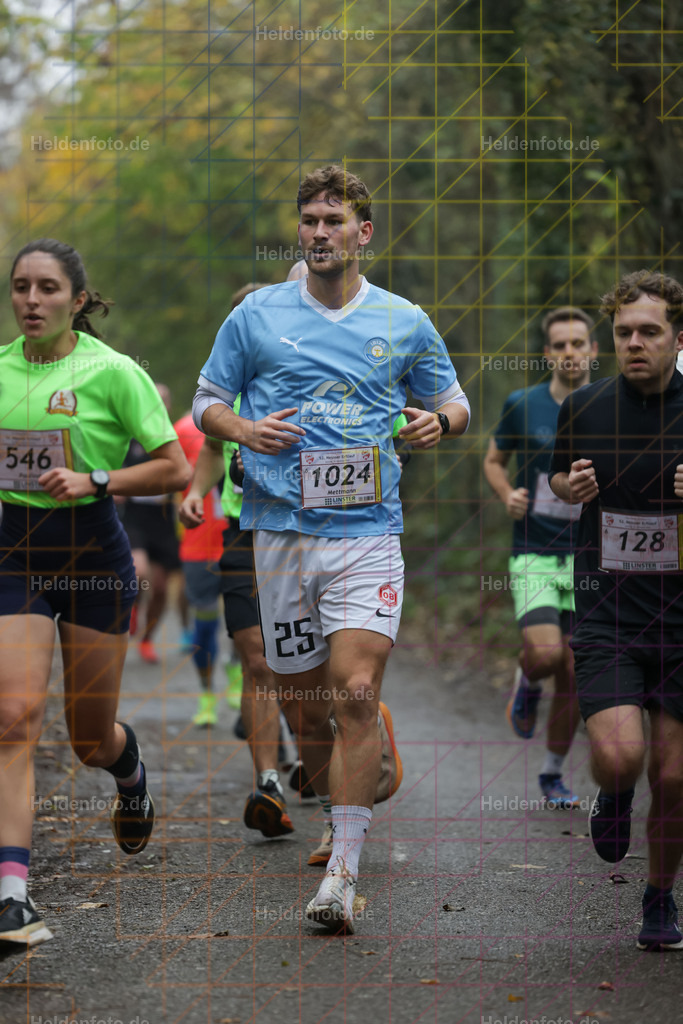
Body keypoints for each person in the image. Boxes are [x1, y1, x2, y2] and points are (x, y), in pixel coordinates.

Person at [192, 164, 470, 932]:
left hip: (366, 533)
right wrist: (244, 430)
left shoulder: (403, 319)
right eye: (309, 219)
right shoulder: (254, 317)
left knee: (350, 691)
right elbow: (207, 402)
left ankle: (341, 878)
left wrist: (436, 424)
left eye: (333, 220)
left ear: (362, 233)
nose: (319, 231)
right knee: (309, 715)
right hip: (279, 536)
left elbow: (454, 400)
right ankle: (354, 770)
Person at [0, 239, 190, 946]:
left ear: (77, 299)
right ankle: (13, 896)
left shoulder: (114, 372)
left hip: (92, 555)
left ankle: (129, 768)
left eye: (48, 288)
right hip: (13, 552)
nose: (31, 301)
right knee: (14, 715)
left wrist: (97, 479)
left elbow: (172, 469)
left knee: (88, 739)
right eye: (21, 287)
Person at [549, 270, 683, 951]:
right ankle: (613, 792)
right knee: (622, 755)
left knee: (676, 774)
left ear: (677, 338)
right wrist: (567, 483)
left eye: (649, 332)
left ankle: (658, 899)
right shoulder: (588, 406)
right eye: (624, 332)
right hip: (608, 611)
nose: (634, 342)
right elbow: (556, 474)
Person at [483, 308, 598, 807]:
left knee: (576, 668)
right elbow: (493, 459)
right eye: (559, 345)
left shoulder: (611, 404)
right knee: (550, 655)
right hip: (534, 550)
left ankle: (552, 773)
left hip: (592, 557)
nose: (569, 352)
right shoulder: (522, 404)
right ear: (547, 353)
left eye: (578, 343)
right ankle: (528, 677)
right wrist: (506, 492)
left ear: (593, 350)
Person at [118, 383, 184, 664]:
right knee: (138, 570)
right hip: (134, 516)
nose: (159, 404)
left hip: (164, 518)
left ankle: (147, 639)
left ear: (169, 405)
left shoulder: (175, 437)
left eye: (164, 400)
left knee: (159, 589)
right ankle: (131, 606)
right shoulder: (132, 434)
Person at [174, 411, 228, 726]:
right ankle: (207, 693)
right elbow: (173, 479)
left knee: (249, 627)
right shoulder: (182, 429)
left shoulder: (255, 414)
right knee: (206, 622)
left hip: (246, 540)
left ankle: (238, 673)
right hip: (200, 546)